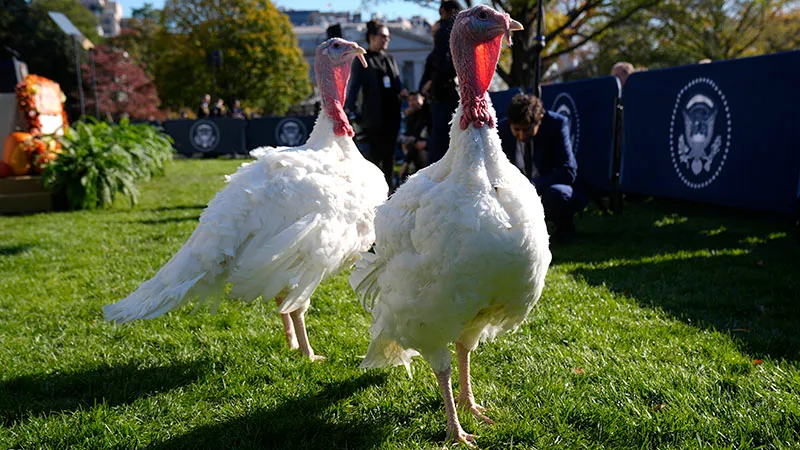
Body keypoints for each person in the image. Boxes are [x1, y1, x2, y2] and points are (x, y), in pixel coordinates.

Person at [498, 94, 579, 240]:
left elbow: (568, 171)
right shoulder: (501, 131)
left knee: (559, 194)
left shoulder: (556, 125)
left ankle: (563, 230)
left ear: (539, 120)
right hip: (513, 191)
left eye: (527, 129)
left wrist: (533, 185)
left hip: (544, 188)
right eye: (517, 130)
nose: (522, 136)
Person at [345, 20, 406, 189]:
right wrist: (347, 110)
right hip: (373, 120)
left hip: (391, 118)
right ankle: (373, 192)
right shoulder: (363, 60)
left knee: (389, 158)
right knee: (373, 159)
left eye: (388, 37)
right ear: (371, 37)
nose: (387, 39)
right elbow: (354, 88)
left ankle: (389, 192)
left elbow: (397, 83)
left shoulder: (389, 59)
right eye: (383, 36)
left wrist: (404, 93)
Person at [424, 0, 463, 165]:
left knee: (439, 138)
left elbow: (442, 62)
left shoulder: (444, 31)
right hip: (454, 91)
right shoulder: (463, 33)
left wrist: (432, 82)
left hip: (443, 92)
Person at [398, 91, 431, 182]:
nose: (412, 103)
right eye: (410, 100)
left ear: (422, 99)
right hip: (414, 149)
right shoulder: (411, 117)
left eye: (415, 99)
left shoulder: (428, 113)